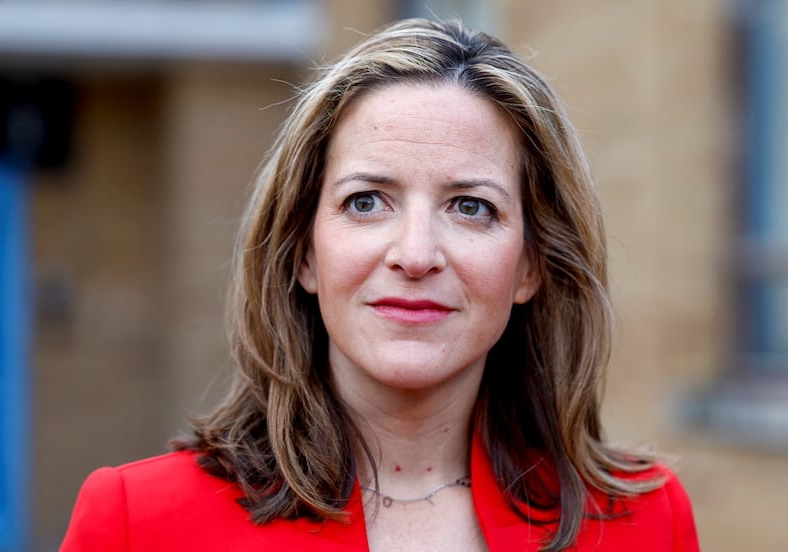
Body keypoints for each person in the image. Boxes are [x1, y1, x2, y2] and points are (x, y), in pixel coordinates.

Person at [60, 18, 699, 551]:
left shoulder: (644, 523)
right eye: (367, 201)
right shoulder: (138, 522)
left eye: (471, 207)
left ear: (530, 265)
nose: (415, 255)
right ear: (303, 252)